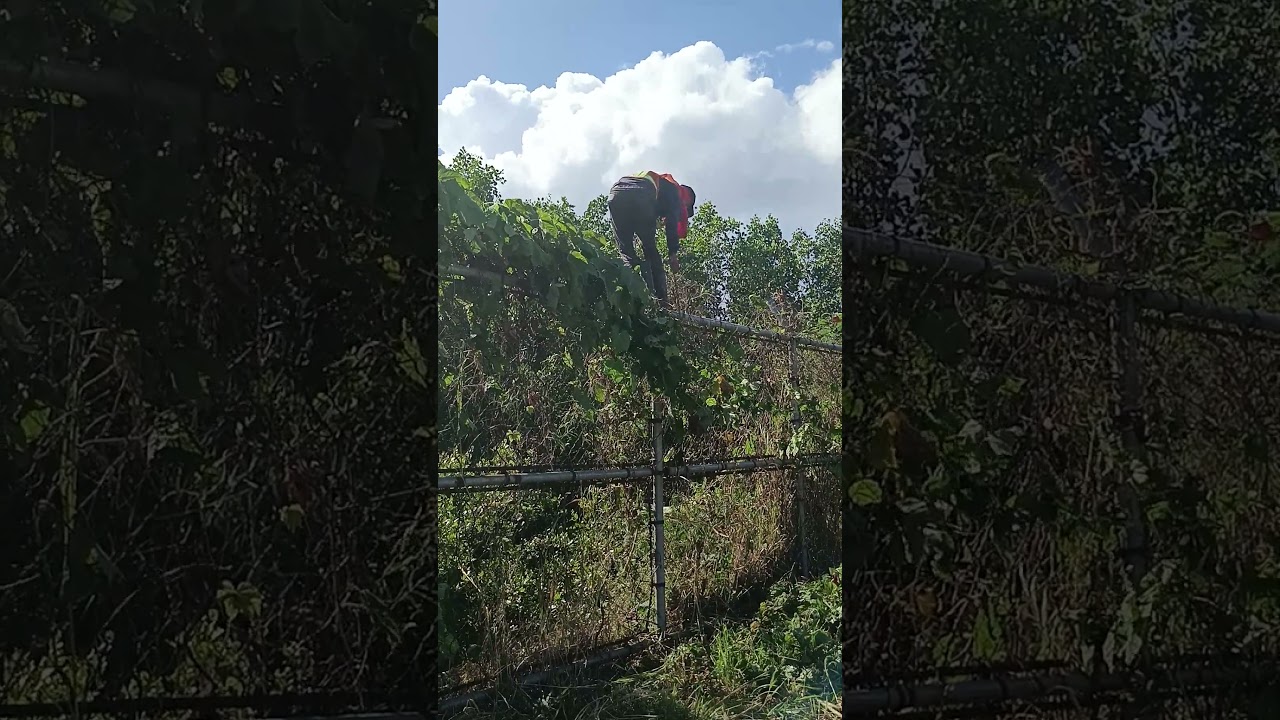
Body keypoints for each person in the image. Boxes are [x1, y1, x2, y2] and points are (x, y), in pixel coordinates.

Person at [606, 170, 696, 305]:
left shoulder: (659, 184)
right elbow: (672, 221)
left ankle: (634, 297)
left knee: (626, 253)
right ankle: (661, 303)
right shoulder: (675, 192)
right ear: (686, 202)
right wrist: (673, 253)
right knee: (650, 250)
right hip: (640, 194)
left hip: (616, 194)